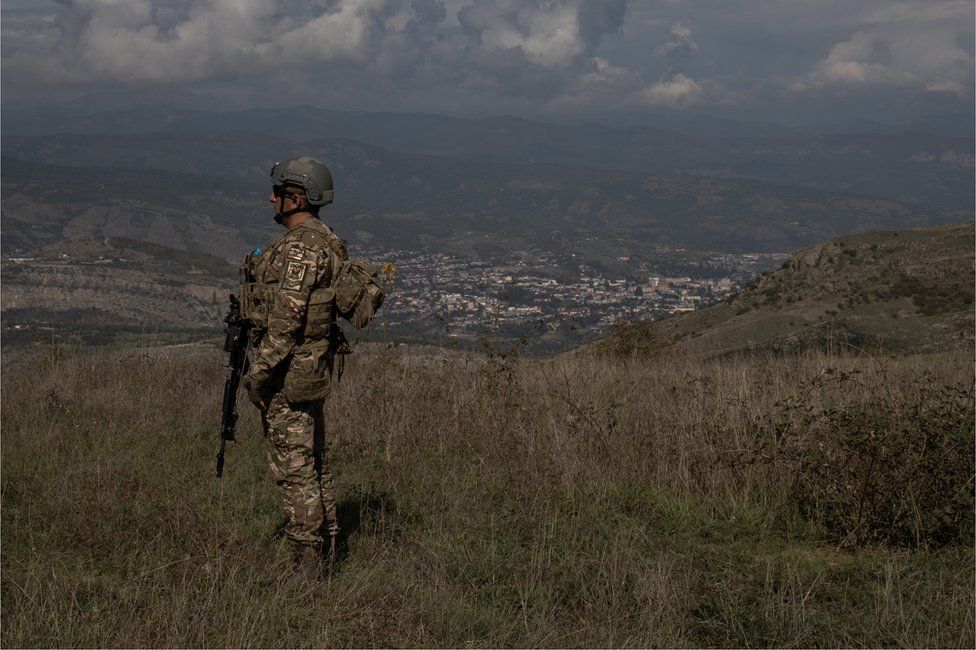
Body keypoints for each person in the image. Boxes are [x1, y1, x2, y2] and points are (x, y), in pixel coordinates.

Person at [239, 156, 349, 577]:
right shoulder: (327, 240)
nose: (270, 199)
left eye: (277, 193)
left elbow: (284, 324)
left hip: (289, 375)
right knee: (313, 461)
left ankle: (307, 563)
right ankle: (328, 544)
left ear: (296, 198)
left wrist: (259, 375)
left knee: (294, 468)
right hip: (310, 370)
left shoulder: (301, 248)